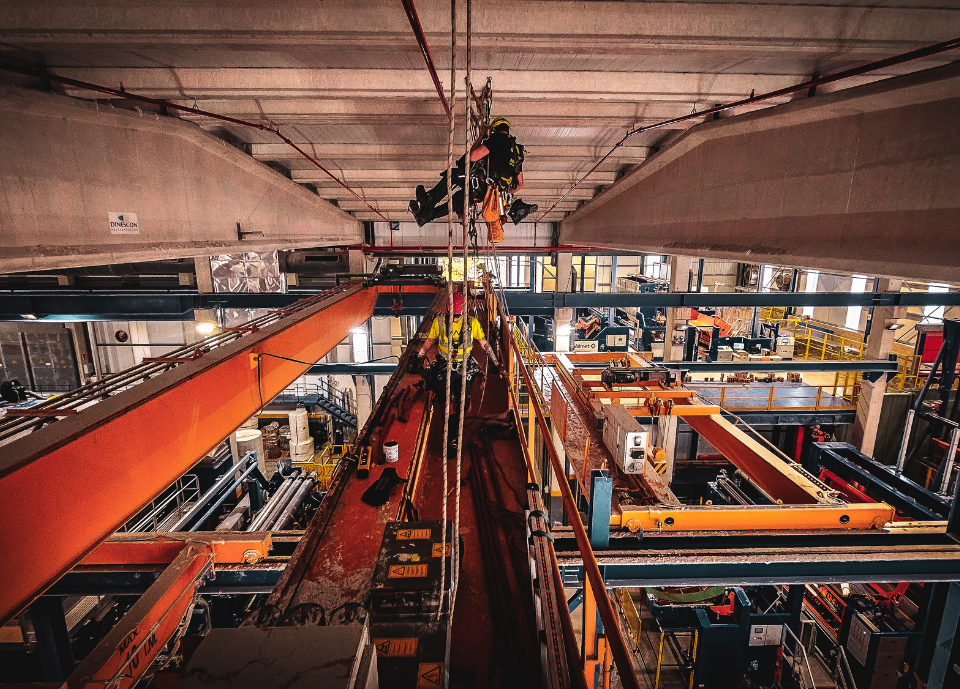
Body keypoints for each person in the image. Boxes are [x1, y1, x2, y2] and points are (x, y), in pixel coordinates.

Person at [409, 118, 538, 228]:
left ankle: (428, 202)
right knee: (460, 200)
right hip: (490, 193)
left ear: (495, 130)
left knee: (453, 175)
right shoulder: (518, 151)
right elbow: (520, 184)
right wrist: (499, 191)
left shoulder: (497, 139)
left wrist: (481, 136)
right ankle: (425, 217)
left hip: (480, 184)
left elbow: (472, 157)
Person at [418, 293, 501, 417]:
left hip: (464, 364)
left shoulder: (472, 323)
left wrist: (496, 363)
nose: (455, 319)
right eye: (453, 316)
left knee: (463, 397)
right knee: (441, 392)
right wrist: (419, 356)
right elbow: (429, 342)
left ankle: (465, 402)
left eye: (457, 316)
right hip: (444, 364)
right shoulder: (439, 322)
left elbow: (485, 345)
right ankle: (449, 410)